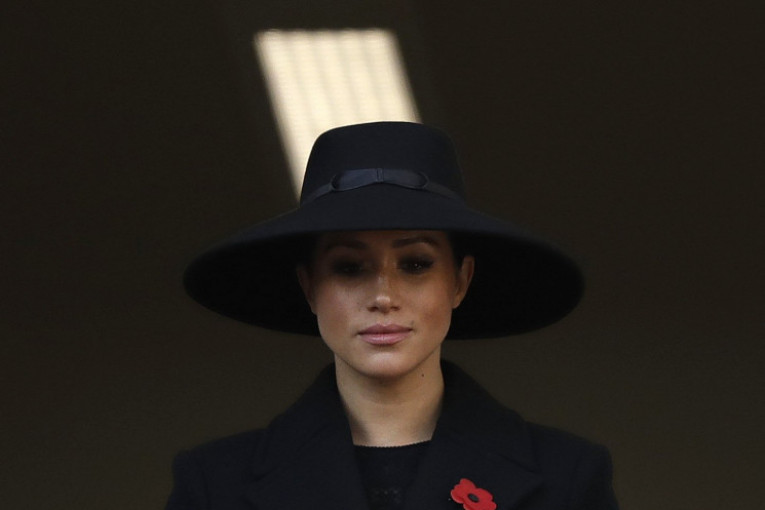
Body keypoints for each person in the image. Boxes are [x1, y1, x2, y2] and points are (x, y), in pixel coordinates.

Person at [167, 122, 619, 510]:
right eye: (349, 267)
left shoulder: (568, 478)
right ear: (309, 287)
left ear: (460, 282)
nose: (383, 296)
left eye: (416, 264)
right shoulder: (214, 485)